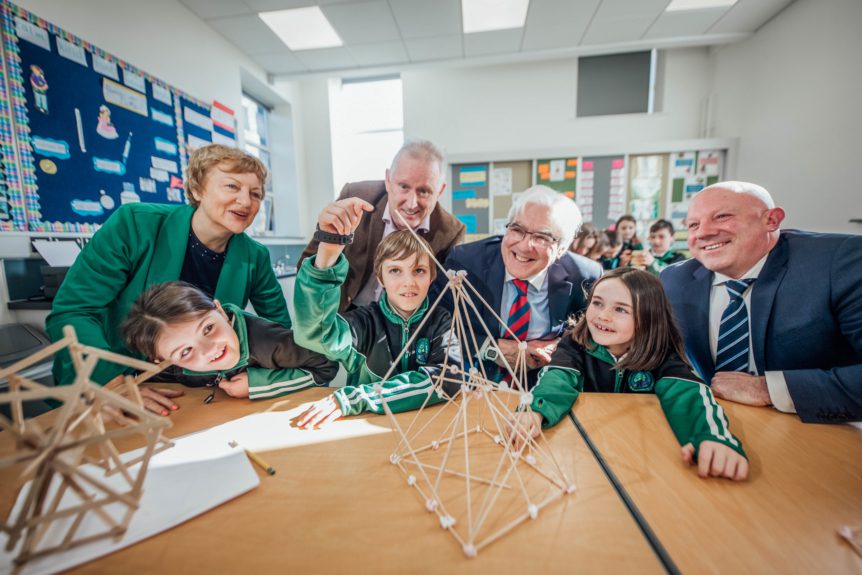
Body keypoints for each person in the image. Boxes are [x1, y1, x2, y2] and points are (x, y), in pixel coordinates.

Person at [46, 144, 290, 415]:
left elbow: (282, 333)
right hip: (111, 384)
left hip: (194, 389)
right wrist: (111, 383)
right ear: (197, 189)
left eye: (255, 193)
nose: (246, 201)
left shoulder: (255, 256)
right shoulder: (134, 224)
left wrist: (259, 381)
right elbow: (73, 311)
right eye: (232, 186)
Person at [508, 268, 748, 481]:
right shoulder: (575, 343)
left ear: (648, 318)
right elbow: (556, 379)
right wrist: (536, 410)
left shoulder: (662, 353)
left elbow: (689, 395)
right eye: (597, 303)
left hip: (643, 461)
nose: (603, 316)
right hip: (585, 457)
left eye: (621, 309)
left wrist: (712, 437)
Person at [661, 181, 862, 423]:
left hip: (823, 431)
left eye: (722, 216)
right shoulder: (675, 279)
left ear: (772, 220)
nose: (703, 233)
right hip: (715, 425)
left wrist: (769, 390)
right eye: (693, 224)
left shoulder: (839, 262)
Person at [293, 198, 461, 428]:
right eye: (395, 271)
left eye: (419, 270)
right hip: (364, 431)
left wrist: (358, 398)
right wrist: (326, 254)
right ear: (380, 278)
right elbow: (314, 334)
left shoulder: (441, 321)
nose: (408, 282)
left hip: (426, 431)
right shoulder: (364, 322)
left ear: (431, 277)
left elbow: (447, 379)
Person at [437, 186, 601, 388]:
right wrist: (491, 349)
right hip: (474, 384)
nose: (524, 246)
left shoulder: (585, 276)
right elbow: (437, 324)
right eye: (517, 229)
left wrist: (561, 347)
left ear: (562, 249)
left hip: (545, 388)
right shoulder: (466, 263)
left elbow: (595, 336)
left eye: (542, 237)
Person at [300, 140, 465, 312]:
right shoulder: (356, 198)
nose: (411, 204)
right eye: (403, 187)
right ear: (388, 180)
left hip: (401, 325)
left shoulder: (450, 231)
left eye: (424, 191)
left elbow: (442, 299)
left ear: (439, 191)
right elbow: (305, 266)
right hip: (344, 313)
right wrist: (327, 245)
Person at [121, 282, 337, 404]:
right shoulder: (173, 367)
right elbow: (140, 380)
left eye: (208, 328)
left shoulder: (272, 342)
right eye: (186, 351)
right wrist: (129, 391)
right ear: (163, 361)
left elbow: (327, 367)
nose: (209, 350)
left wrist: (258, 384)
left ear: (221, 311)